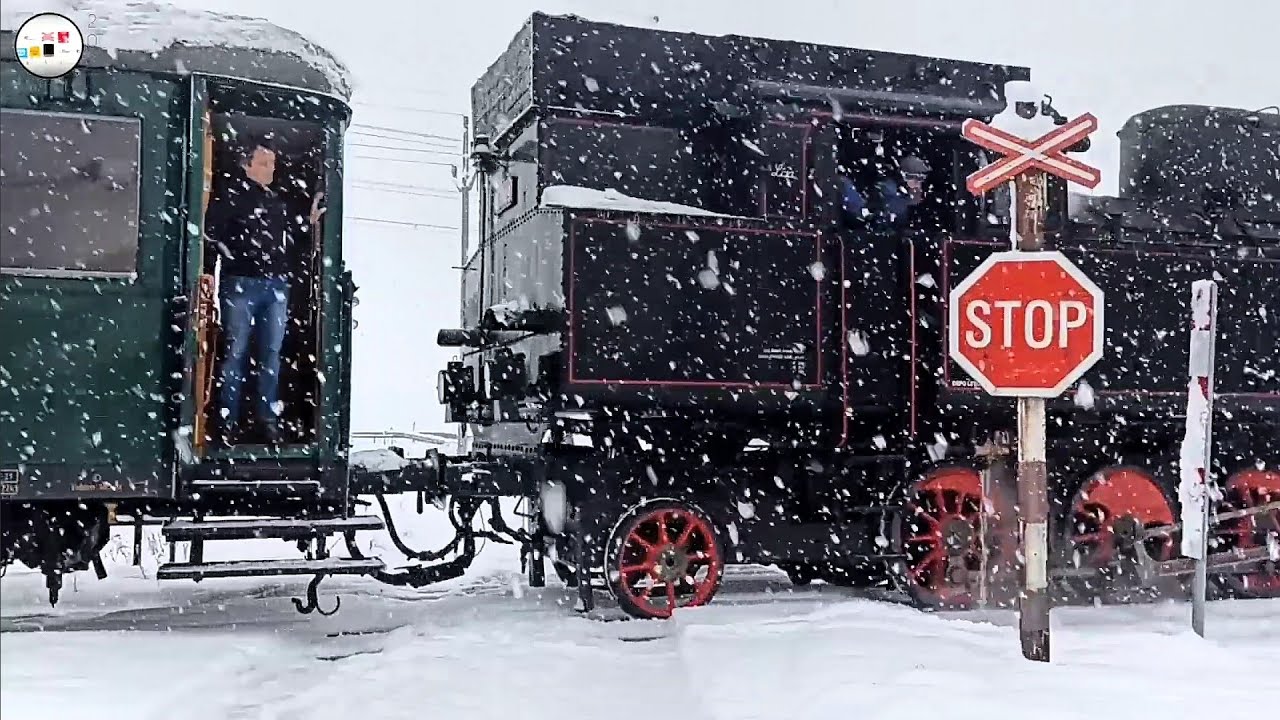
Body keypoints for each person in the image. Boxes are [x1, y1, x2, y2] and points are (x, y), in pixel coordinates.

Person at [204, 138, 324, 446]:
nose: (271, 169)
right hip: (241, 284)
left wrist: (308, 223)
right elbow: (211, 238)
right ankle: (227, 421)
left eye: (273, 164)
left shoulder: (276, 201)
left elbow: (290, 236)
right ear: (247, 165)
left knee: (270, 355)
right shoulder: (231, 198)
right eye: (264, 163)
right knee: (236, 353)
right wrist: (209, 273)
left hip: (275, 286)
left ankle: (266, 419)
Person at [839, 153, 932, 233]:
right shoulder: (889, 188)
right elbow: (889, 207)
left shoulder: (902, 193)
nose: (918, 184)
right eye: (915, 178)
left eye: (921, 179)